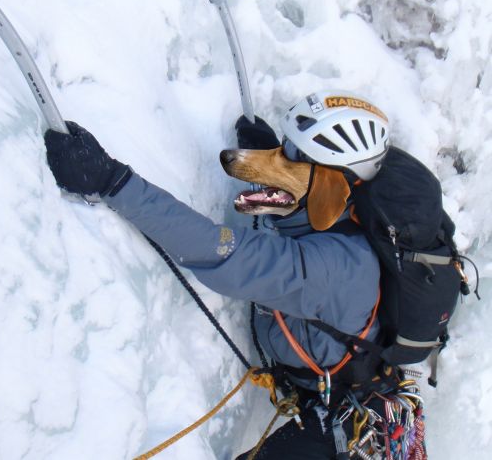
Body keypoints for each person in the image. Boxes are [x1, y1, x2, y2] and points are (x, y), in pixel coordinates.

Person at [44, 91, 393, 459]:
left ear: (330, 186)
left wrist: (113, 181)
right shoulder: (339, 216)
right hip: (337, 392)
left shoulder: (331, 268)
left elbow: (217, 249)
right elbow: (302, 207)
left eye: (293, 156)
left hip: (350, 415)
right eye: (286, 148)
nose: (280, 161)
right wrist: (268, 159)